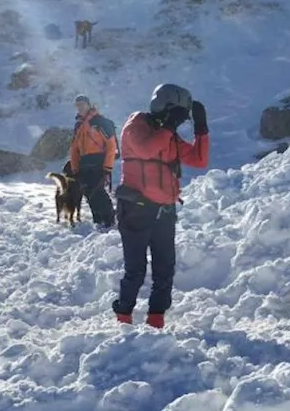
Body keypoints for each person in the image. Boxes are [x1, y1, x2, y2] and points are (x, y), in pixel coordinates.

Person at [112, 84, 209, 329]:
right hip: (136, 208)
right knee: (135, 268)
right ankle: (123, 317)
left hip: (164, 209)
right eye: (178, 113)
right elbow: (145, 150)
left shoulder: (168, 135)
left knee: (165, 268)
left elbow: (199, 160)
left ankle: (156, 318)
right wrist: (168, 126)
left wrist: (201, 128)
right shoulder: (136, 125)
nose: (178, 120)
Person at [69, 94, 119, 230]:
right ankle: (98, 220)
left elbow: (111, 145)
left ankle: (109, 219)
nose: (80, 107)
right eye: (77, 105)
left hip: (99, 161)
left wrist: (107, 167)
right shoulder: (78, 125)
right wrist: (75, 168)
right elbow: (74, 148)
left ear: (89, 105)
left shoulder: (99, 122)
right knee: (87, 190)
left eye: (82, 104)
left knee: (97, 190)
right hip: (84, 162)